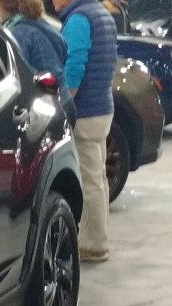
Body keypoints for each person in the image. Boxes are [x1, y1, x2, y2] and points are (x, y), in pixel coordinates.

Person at [54, 0, 117, 262]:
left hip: (86, 110)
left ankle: (94, 245)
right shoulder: (102, 13)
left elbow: (74, 67)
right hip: (102, 106)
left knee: (90, 181)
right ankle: (95, 238)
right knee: (97, 178)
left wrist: (62, 102)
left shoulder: (79, 19)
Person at [0, 0, 75, 120]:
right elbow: (62, 48)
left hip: (50, 110)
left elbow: (18, 79)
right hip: (65, 101)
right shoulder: (38, 22)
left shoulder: (17, 34)